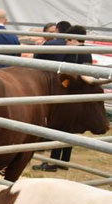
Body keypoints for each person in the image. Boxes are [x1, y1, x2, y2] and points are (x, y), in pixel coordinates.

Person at [33, 25, 92, 172]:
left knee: (59, 127)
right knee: (69, 129)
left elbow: (66, 73)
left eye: (68, 40)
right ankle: (64, 161)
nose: (66, 43)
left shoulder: (73, 52)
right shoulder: (87, 53)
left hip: (68, 94)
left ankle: (52, 163)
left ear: (73, 39)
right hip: (79, 96)